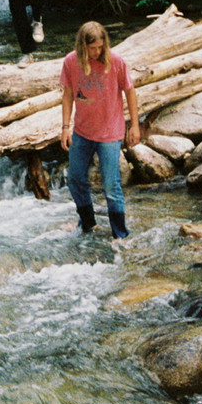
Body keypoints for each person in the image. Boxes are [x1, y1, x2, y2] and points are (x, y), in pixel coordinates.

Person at [60, 21, 140, 241]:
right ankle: (88, 224)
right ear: (82, 46)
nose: (96, 52)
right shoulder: (70, 62)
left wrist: (134, 125)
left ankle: (120, 236)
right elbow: (67, 95)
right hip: (82, 131)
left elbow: (130, 92)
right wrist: (65, 127)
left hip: (110, 133)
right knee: (75, 178)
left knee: (110, 185)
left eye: (100, 47)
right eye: (92, 48)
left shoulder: (115, 61)